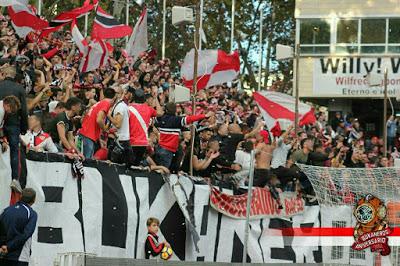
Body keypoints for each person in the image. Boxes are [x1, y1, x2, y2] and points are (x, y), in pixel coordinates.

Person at [154, 102, 214, 168]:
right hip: (167, 151)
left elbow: (157, 115)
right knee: (163, 171)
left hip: (160, 148)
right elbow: (190, 119)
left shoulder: (161, 118)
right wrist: (205, 116)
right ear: (175, 110)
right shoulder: (177, 120)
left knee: (159, 169)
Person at [0, 66, 28, 183]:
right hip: (13, 124)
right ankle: (15, 179)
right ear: (14, 75)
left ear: (4, 74)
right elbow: (24, 111)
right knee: (14, 150)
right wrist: (23, 128)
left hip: (2, 123)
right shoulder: (19, 88)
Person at [0, 188, 37, 266]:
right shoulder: (32, 213)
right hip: (20, 257)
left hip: (3, 254)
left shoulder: (6, 210)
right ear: (34, 200)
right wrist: (9, 247)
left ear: (20, 196)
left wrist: (3, 246)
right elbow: (26, 234)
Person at [78, 88, 116, 159]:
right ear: (114, 97)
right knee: (87, 162)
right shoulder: (106, 103)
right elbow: (99, 120)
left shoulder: (100, 102)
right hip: (88, 135)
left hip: (86, 133)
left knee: (86, 160)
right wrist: (105, 129)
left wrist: (99, 138)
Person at [128, 91, 163, 166]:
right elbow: (160, 113)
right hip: (143, 143)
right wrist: (156, 98)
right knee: (136, 166)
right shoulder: (149, 109)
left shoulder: (128, 108)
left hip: (131, 142)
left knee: (129, 167)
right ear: (144, 99)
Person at [107, 86, 134, 166]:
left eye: (116, 93)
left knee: (114, 167)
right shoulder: (119, 105)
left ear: (122, 94)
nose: (113, 95)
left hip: (120, 142)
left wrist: (108, 115)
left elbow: (118, 124)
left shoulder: (120, 106)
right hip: (122, 140)